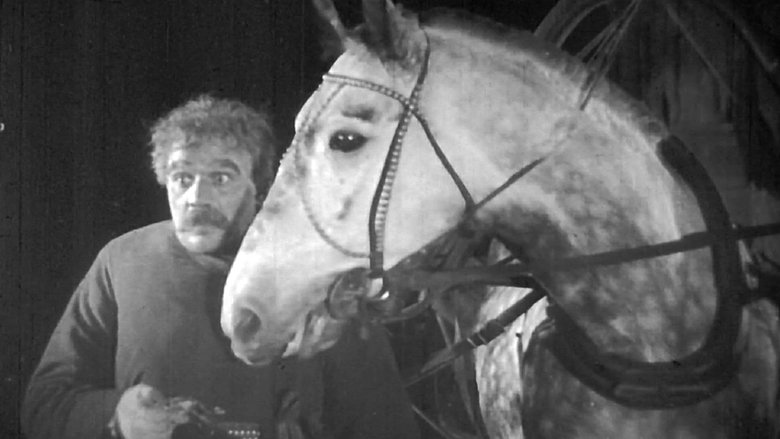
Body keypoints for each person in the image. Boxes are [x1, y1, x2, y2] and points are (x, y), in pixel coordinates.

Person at [21, 95, 421, 439]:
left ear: (257, 185)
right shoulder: (123, 260)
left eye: (221, 178)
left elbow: (386, 424)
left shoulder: (316, 272)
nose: (197, 197)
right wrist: (117, 415)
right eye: (182, 178)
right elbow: (43, 405)